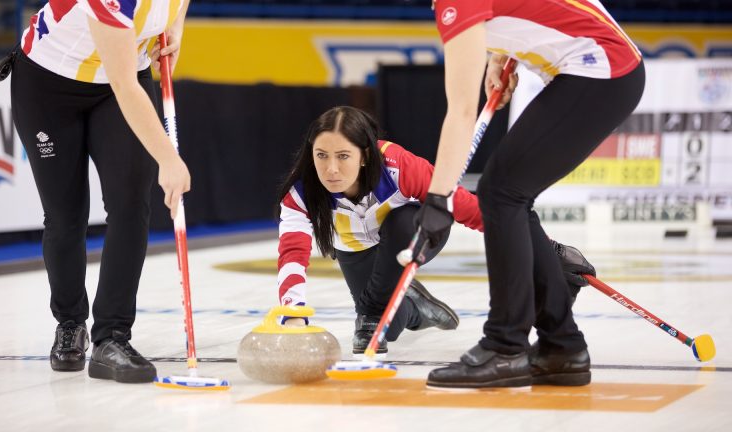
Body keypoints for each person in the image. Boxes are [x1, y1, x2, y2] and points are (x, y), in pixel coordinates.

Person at [412, 1, 645, 389]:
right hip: (608, 66)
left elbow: (461, 110)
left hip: (600, 68)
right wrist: (499, 56)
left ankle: (505, 347)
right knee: (507, 193)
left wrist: (438, 200)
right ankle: (561, 347)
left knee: (502, 193)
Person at [275, 106, 594, 356]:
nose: (330, 169)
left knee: (394, 247)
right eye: (322, 156)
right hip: (355, 249)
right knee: (391, 325)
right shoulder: (301, 191)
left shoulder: (398, 167)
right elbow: (293, 254)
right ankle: (415, 308)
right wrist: (292, 312)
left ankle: (378, 305)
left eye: (343, 156)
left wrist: (545, 249)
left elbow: (470, 208)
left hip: (413, 235)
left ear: (365, 155)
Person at [0, 0, 192, 383]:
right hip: (48, 85)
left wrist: (176, 28)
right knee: (65, 215)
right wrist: (169, 159)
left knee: (130, 204)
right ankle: (70, 323)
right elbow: (122, 84)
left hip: (120, 83)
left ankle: (112, 338)